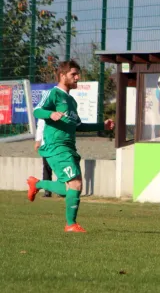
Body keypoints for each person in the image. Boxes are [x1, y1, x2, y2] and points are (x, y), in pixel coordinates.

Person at [26, 60, 114, 233]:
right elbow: (37, 111)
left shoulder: (71, 101)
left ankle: (37, 184)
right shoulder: (54, 93)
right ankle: (70, 225)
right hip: (56, 146)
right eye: (73, 74)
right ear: (62, 75)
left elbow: (78, 125)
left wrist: (101, 126)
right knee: (74, 184)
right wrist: (51, 113)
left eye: (77, 74)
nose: (77, 77)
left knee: (72, 187)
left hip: (69, 147)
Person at [34, 118, 53, 198]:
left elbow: (40, 127)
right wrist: (38, 141)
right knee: (47, 168)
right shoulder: (44, 112)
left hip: (54, 145)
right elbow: (41, 127)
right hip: (47, 146)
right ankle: (47, 191)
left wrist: (38, 141)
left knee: (49, 168)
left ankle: (59, 190)